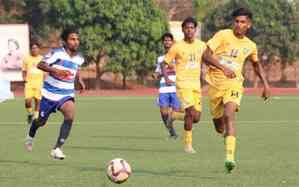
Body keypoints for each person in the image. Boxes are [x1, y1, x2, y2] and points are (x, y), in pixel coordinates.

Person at [202, 8, 270, 172]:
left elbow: (255, 64)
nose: (239, 25)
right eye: (236, 21)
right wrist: (223, 67)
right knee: (219, 126)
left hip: (234, 84)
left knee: (229, 114)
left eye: (242, 22)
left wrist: (266, 85)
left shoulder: (250, 45)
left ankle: (230, 157)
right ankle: (227, 136)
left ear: (249, 24)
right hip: (215, 85)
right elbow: (206, 55)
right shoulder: (223, 35)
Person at [162, 17, 234, 153]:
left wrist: (217, 70)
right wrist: (166, 78)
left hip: (196, 85)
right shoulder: (176, 46)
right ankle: (188, 145)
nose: (189, 30)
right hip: (183, 85)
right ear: (183, 30)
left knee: (196, 118)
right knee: (190, 112)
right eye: (187, 28)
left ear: (195, 30)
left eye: (192, 28)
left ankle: (174, 116)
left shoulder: (202, 45)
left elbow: (208, 59)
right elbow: (164, 63)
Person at [25, 28, 86, 160]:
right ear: (65, 41)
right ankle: (31, 134)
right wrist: (56, 71)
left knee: (70, 115)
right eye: (72, 39)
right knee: (41, 122)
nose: (76, 42)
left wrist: (79, 80)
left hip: (66, 93)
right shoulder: (57, 53)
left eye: (77, 39)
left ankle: (57, 148)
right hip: (49, 94)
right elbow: (41, 65)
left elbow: (76, 69)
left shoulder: (80, 58)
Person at [153, 32, 184, 139]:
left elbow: (182, 70)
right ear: (163, 43)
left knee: (178, 111)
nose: (167, 42)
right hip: (163, 89)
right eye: (165, 40)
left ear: (172, 42)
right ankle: (172, 132)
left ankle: (187, 122)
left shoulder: (178, 56)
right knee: (163, 112)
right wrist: (156, 74)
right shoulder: (160, 58)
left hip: (176, 87)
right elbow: (157, 72)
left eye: (169, 40)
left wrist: (173, 67)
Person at [22, 41, 44, 124]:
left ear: (39, 49)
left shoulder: (42, 58)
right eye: (33, 48)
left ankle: (35, 118)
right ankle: (30, 113)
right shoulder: (26, 58)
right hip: (29, 83)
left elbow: (45, 71)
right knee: (27, 102)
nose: (34, 50)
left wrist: (45, 81)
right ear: (30, 49)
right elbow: (24, 70)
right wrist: (24, 78)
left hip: (39, 83)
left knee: (38, 101)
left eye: (36, 48)